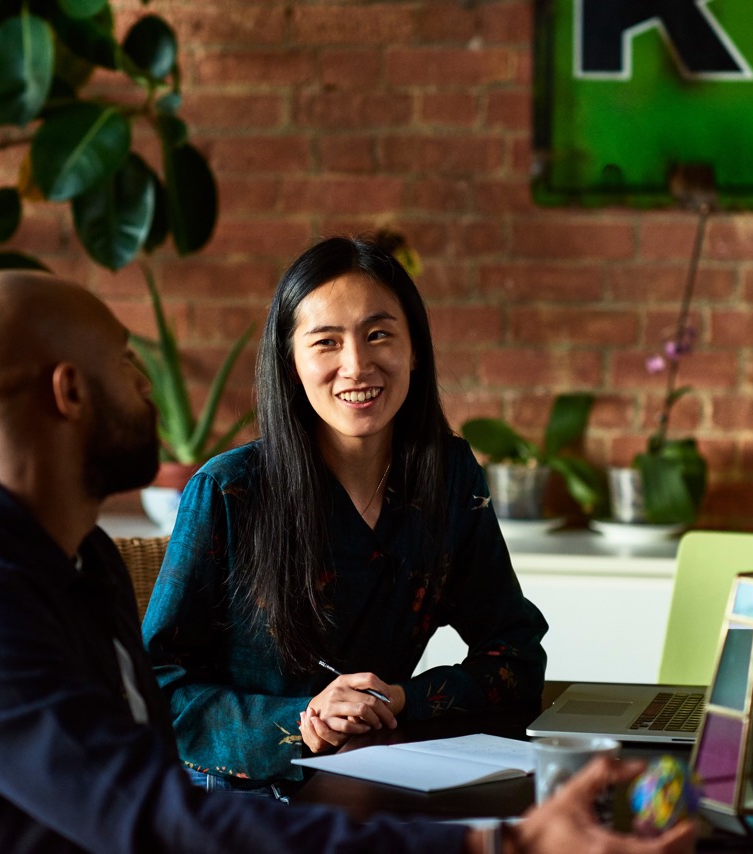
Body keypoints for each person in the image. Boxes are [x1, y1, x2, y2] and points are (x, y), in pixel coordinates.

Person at [0, 268, 694, 854]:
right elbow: (156, 818)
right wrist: (493, 844)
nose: (147, 386)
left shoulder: (74, 561)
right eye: (127, 364)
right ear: (69, 391)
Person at [142, 236, 549, 794]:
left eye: (378, 334)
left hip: (382, 783)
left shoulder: (446, 474)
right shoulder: (229, 490)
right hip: (241, 801)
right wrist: (303, 719)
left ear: (415, 350)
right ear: (290, 363)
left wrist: (399, 698)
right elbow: (155, 690)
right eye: (326, 342)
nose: (357, 365)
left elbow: (516, 655)